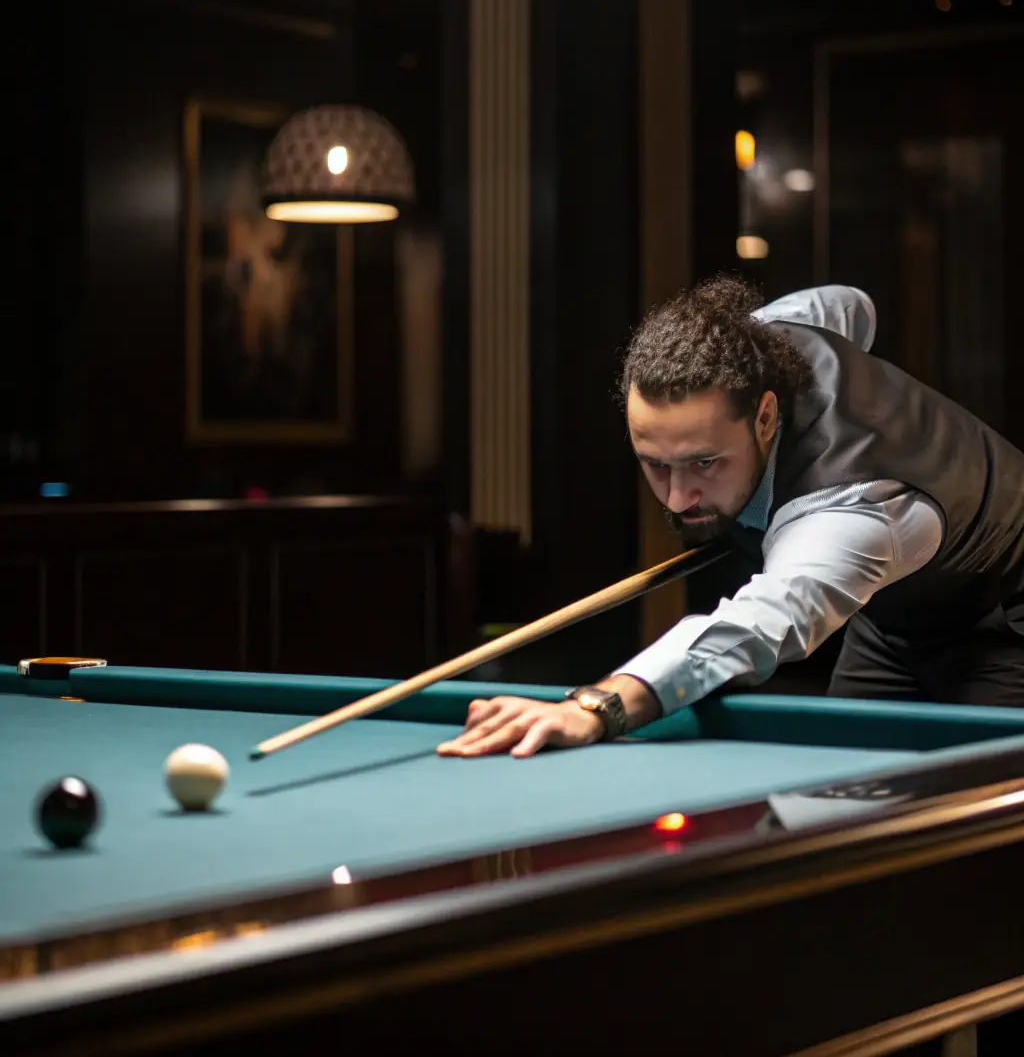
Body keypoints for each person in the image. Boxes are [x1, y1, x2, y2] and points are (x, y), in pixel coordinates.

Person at [438, 278, 1024, 760]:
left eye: (704, 463)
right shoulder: (769, 340)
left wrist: (599, 706)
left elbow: (760, 622)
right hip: (895, 618)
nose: (678, 498)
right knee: (846, 792)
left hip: (1005, 621)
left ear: (766, 416)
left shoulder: (849, 512)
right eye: (655, 465)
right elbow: (850, 305)